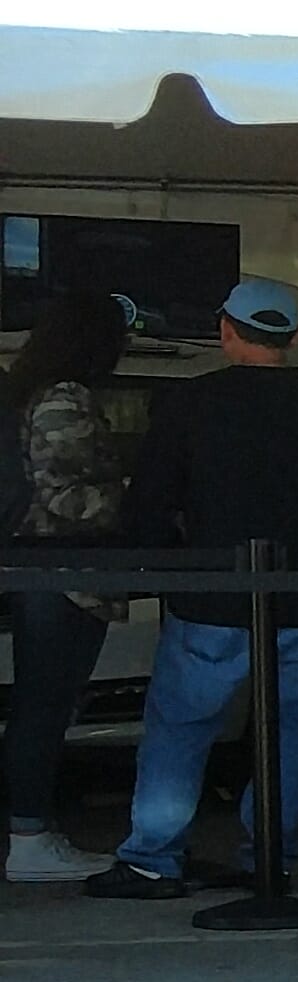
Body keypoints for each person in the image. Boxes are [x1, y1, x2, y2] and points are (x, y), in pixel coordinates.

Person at [85, 278, 298, 900]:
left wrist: (150, 562)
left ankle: (154, 858)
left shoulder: (193, 400)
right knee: (291, 735)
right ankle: (271, 859)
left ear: (226, 330)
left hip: (213, 596)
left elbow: (151, 500)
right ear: (293, 338)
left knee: (181, 729)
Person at [4, 288, 130, 883]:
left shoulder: (25, 390)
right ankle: (29, 836)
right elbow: (63, 495)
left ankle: (29, 832)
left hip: (40, 570)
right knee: (45, 707)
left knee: (39, 705)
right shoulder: (64, 398)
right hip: (65, 575)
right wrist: (132, 502)